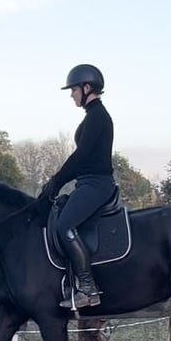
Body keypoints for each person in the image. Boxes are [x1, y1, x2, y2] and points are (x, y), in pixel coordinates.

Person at [38, 64, 116, 309]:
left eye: (73, 90)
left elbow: (81, 157)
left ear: (87, 87)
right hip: (87, 183)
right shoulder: (92, 116)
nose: (72, 95)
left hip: (97, 184)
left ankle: (88, 288)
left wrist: (56, 181)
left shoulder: (97, 117)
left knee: (65, 225)